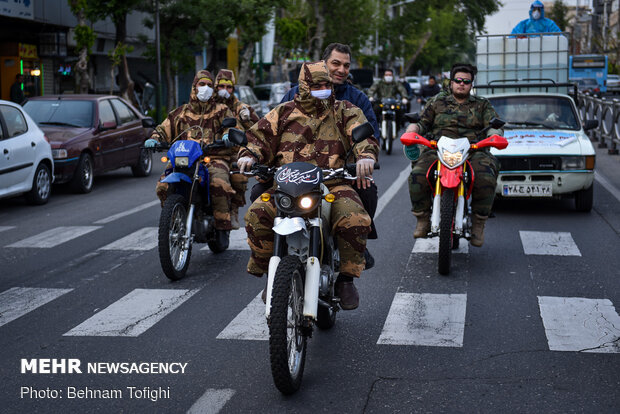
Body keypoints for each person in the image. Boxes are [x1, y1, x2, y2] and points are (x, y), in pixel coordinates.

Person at [238, 61, 379, 310]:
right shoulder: (282, 112)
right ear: (303, 86)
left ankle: (346, 280)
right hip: (287, 187)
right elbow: (257, 138)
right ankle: (272, 274)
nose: (323, 89)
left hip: (332, 185)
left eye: (326, 84)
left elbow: (363, 135)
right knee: (256, 215)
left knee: (356, 219)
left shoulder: (345, 110)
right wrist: (249, 155)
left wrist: (366, 156)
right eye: (316, 85)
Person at [278, 43, 380, 267]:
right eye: (336, 63)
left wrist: (365, 159)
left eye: (346, 65)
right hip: (293, 177)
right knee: (259, 195)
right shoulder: (290, 100)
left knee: (367, 191)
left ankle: (353, 256)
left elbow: (370, 134)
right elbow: (269, 134)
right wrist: (255, 158)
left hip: (339, 172)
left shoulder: (354, 101)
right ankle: (273, 271)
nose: (341, 70)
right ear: (322, 65)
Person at [403, 63, 503, 247]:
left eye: (466, 81)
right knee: (418, 174)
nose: (461, 84)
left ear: (472, 84)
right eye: (458, 80)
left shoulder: (482, 104)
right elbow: (422, 123)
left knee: (486, 176)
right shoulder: (436, 102)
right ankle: (423, 218)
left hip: (473, 149)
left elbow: (493, 126)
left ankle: (478, 224)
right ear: (451, 82)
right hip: (437, 148)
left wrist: (495, 136)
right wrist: (412, 130)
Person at [145, 69, 238, 246]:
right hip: (183, 159)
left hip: (213, 158)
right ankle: (172, 220)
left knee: (220, 184)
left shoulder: (222, 110)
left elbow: (231, 128)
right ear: (194, 87)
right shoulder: (180, 112)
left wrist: (228, 136)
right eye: (202, 84)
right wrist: (154, 139)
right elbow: (163, 129)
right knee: (163, 185)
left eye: (210, 85)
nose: (206, 88)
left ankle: (221, 226)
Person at [214, 69, 260, 229]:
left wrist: (246, 119)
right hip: (210, 151)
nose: (225, 91)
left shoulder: (241, 107)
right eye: (221, 86)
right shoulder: (208, 105)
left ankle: (233, 209)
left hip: (234, 152)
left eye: (229, 87)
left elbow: (258, 130)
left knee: (239, 177)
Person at [368, 69, 409, 134]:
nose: (388, 76)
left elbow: (402, 90)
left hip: (393, 103)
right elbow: (371, 90)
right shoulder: (379, 83)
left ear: (392, 76)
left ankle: (397, 127)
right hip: (381, 102)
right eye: (387, 75)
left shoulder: (396, 83)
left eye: (390, 75)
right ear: (384, 76)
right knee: (374, 111)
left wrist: (404, 97)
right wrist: (371, 96)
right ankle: (375, 127)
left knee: (400, 111)